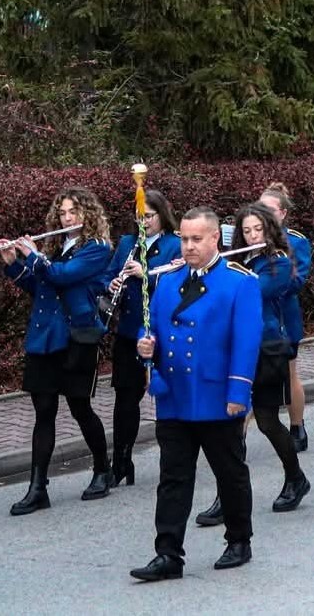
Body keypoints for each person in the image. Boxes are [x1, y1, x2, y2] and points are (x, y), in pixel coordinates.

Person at [128, 208, 261, 581]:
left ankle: (239, 540)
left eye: (196, 239)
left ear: (215, 238)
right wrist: (144, 344)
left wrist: (238, 392)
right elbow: (150, 325)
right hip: (175, 396)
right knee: (173, 478)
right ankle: (168, 554)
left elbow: (246, 342)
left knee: (229, 473)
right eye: (184, 239)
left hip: (216, 395)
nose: (188, 246)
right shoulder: (167, 280)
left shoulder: (239, 282)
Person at [0, 186, 116, 515]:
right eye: (62, 213)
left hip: (76, 337)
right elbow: (41, 287)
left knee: (80, 408)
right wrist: (14, 265)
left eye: (74, 212)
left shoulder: (96, 248)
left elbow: (62, 276)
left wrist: (34, 256)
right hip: (44, 336)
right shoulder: (56, 247)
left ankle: (103, 469)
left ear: (88, 213)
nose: (67, 218)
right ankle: (37, 488)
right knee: (44, 411)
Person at [193, 204, 308, 526]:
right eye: (247, 231)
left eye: (258, 230)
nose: (253, 236)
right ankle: (227, 496)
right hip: (234, 350)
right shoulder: (235, 263)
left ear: (269, 230)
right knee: (231, 424)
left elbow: (251, 292)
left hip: (267, 348)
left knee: (268, 422)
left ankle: (295, 477)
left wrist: (215, 271)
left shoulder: (278, 263)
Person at [104, 190, 181, 490]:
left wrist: (144, 274)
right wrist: (112, 284)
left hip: (162, 333)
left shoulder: (175, 244)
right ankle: (121, 462)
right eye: (139, 217)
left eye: (148, 216)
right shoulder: (127, 243)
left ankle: (175, 461)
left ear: (162, 215)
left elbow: (179, 284)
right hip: (129, 330)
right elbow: (106, 276)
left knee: (168, 397)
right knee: (125, 398)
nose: (143, 222)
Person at [256, 184, 311, 450]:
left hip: (284, 316)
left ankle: (297, 426)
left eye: (269, 210)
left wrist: (270, 284)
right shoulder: (250, 241)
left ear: (283, 213)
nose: (263, 215)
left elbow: (298, 280)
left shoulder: (296, 241)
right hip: (256, 317)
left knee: (290, 373)